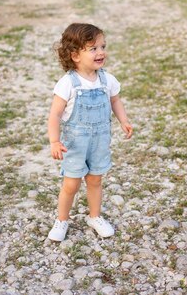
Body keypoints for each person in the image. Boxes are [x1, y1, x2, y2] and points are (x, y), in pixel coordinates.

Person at [47, 23, 133, 242]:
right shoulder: (68, 83)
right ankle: (62, 219)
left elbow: (115, 100)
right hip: (75, 144)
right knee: (71, 184)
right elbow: (55, 115)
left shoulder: (107, 79)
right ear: (75, 55)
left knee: (95, 180)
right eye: (93, 48)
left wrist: (123, 120)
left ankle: (94, 216)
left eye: (103, 46)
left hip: (99, 141)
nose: (101, 52)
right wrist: (54, 141)